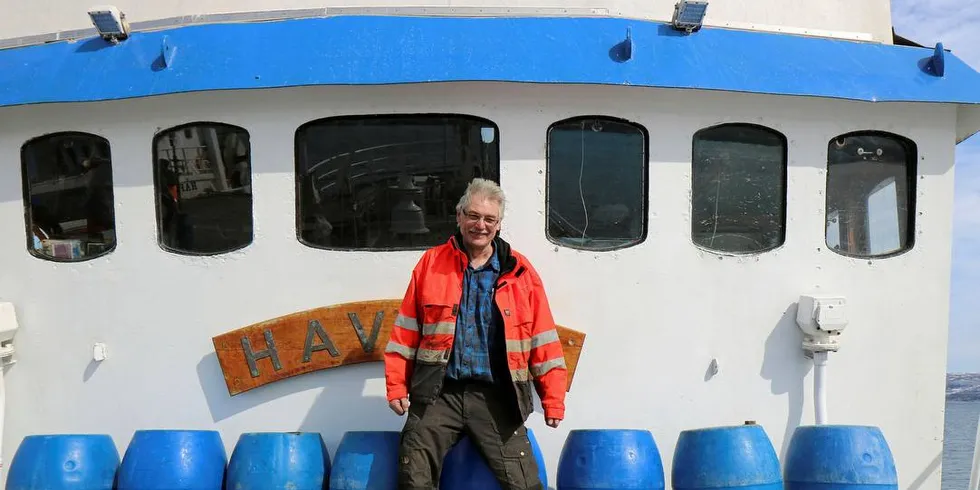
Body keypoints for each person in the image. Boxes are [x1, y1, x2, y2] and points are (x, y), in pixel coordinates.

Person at [384, 177, 568, 490]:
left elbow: (542, 338)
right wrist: (397, 386)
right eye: (473, 215)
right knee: (413, 476)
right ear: (459, 217)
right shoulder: (430, 264)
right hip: (440, 393)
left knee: (524, 484)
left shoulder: (520, 271)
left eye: (489, 219)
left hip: (497, 395)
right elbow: (406, 331)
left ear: (498, 224)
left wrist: (553, 400)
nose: (480, 225)